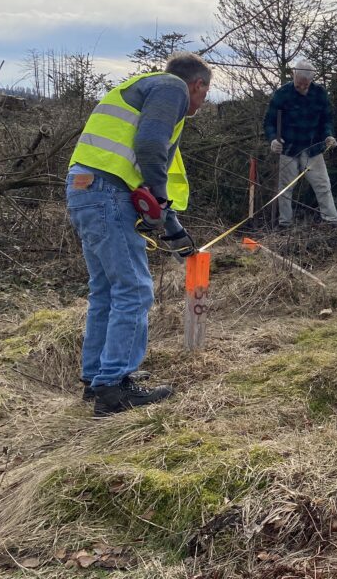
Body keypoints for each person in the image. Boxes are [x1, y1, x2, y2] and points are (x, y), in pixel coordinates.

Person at [66, 53, 211, 416]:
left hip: (85, 188)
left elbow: (143, 162)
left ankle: (98, 376)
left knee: (106, 289)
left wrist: (167, 217)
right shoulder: (171, 88)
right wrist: (159, 199)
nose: (201, 103)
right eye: (204, 94)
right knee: (133, 289)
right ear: (198, 85)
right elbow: (149, 147)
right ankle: (114, 388)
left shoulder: (141, 87)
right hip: (106, 192)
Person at [263, 61, 337, 227]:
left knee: (323, 185)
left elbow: (327, 119)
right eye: (299, 84)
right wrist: (273, 140)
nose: (302, 87)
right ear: (293, 75)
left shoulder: (319, 93)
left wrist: (328, 136)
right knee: (285, 189)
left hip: (313, 148)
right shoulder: (282, 94)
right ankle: (285, 224)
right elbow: (269, 122)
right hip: (288, 148)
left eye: (306, 84)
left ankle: (331, 222)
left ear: (311, 81)